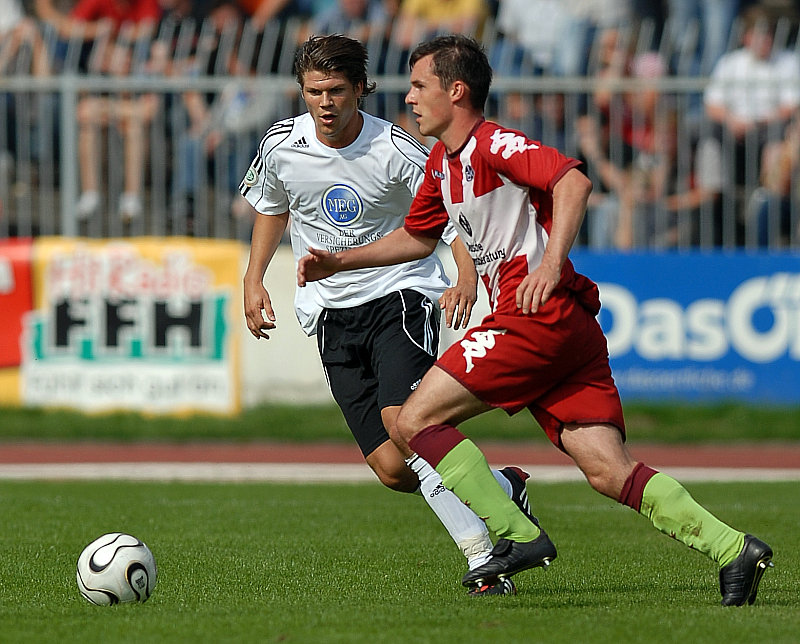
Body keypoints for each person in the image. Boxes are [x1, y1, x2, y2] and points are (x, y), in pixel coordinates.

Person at [297, 34, 774, 606]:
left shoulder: (493, 143)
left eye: (420, 86)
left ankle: (516, 533)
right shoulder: (442, 165)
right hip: (566, 329)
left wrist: (549, 265)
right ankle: (733, 548)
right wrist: (340, 261)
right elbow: (418, 237)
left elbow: (573, 181)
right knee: (608, 470)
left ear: (456, 90)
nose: (410, 98)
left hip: (534, 315)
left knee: (413, 419)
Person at [240, 34, 540, 596]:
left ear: (360, 89)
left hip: (399, 295)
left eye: (335, 90)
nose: (324, 103)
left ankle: (484, 556)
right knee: (393, 468)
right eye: (313, 92)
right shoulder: (281, 144)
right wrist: (253, 279)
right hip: (330, 312)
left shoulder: (396, 149)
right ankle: (503, 487)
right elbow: (271, 206)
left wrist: (467, 275)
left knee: (407, 424)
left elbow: (451, 214)